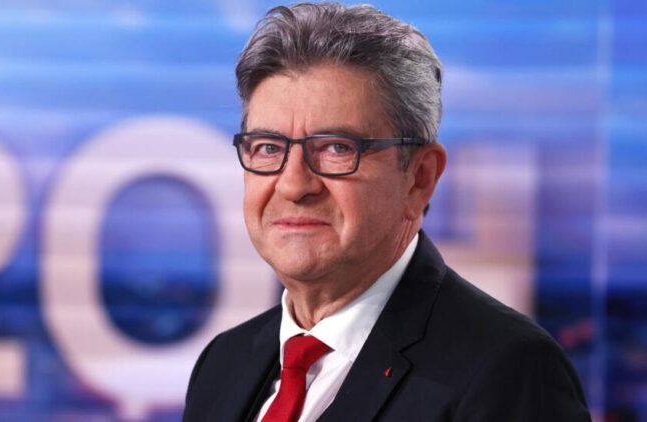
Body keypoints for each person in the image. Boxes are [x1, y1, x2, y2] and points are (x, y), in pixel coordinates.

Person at [184, 2, 591, 421]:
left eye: (337, 149)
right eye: (269, 148)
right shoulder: (223, 363)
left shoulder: (509, 371)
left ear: (419, 177)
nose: (293, 185)